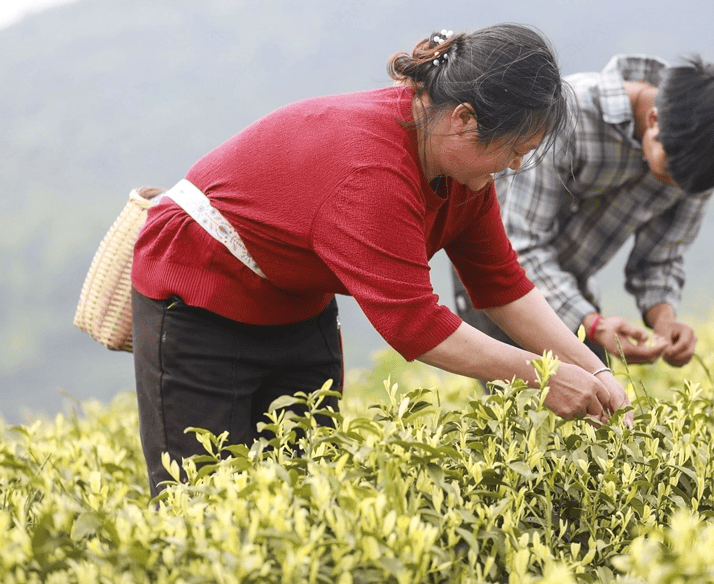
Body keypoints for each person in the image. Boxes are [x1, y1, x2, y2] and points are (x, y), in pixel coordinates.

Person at [130, 24, 631, 495]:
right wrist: (541, 376)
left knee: (305, 487)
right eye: (515, 148)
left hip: (297, 304)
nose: (516, 164)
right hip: (200, 295)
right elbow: (415, 325)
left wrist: (596, 372)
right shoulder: (372, 170)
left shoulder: (463, 172)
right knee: (203, 495)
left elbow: (502, 285)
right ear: (463, 119)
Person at [454, 54, 714, 368]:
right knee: (525, 390)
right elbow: (522, 244)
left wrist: (665, 321)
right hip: (496, 276)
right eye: (670, 173)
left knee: (597, 391)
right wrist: (594, 325)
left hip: (571, 291)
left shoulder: (700, 160)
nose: (677, 186)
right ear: (654, 120)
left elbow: (660, 257)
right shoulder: (570, 115)